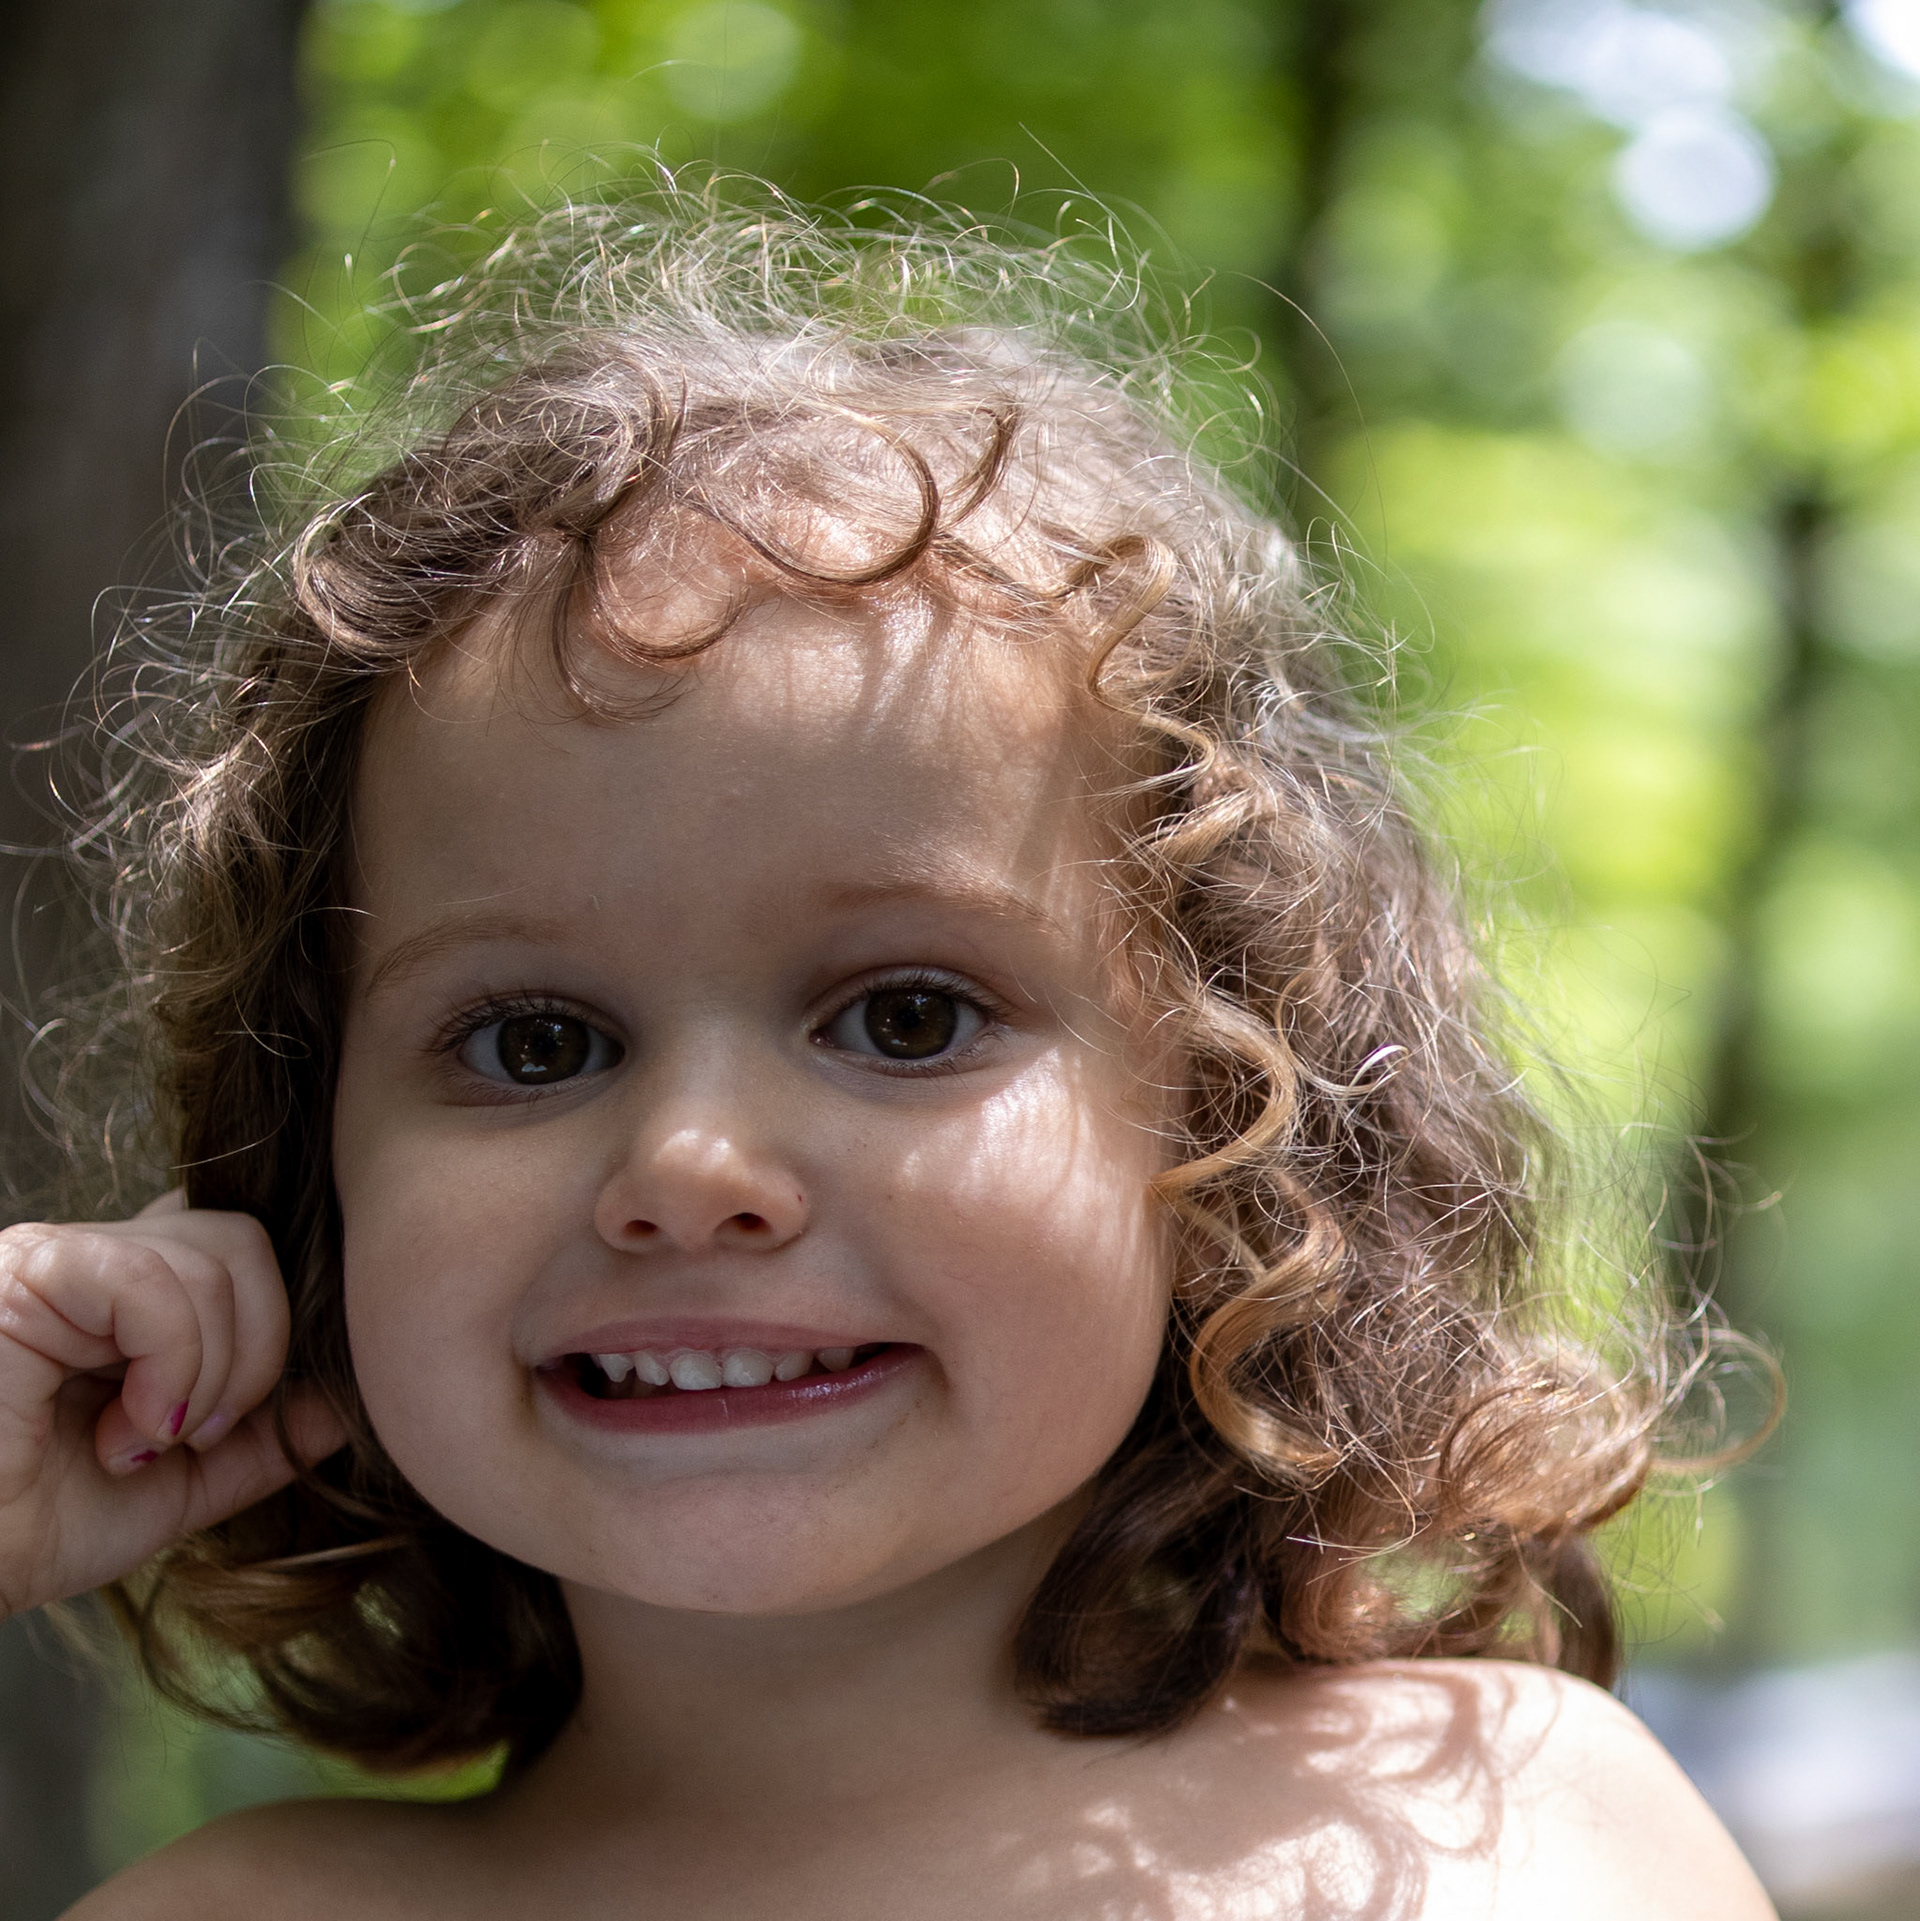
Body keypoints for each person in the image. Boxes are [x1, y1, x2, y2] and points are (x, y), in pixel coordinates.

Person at [0, 180, 1772, 1918]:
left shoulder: (1485, 1835)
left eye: (904, 1017)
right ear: (313, 1166)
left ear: (1234, 1116)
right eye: (535, 1040)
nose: (688, 1167)